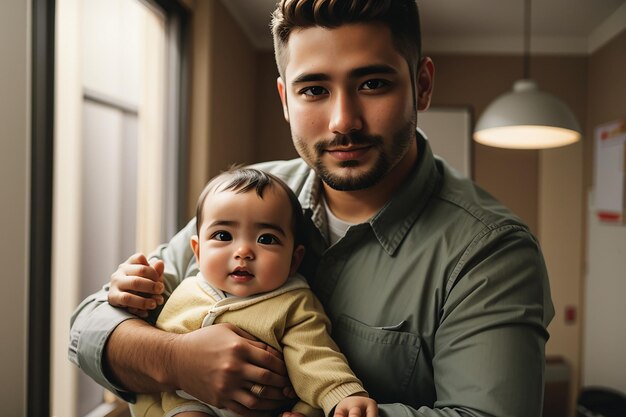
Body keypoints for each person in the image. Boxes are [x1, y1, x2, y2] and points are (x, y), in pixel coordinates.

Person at [69, 1, 555, 416]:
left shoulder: (490, 252)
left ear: (421, 85)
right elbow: (89, 326)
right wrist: (177, 362)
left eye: (372, 84)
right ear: (285, 99)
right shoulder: (248, 198)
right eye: (314, 90)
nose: (344, 120)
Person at [117, 167, 376, 417]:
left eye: (266, 239)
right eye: (223, 235)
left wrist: (342, 394)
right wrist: (137, 295)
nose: (243, 251)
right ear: (197, 251)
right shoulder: (182, 289)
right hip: (189, 402)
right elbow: (145, 332)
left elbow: (314, 356)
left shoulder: (293, 303)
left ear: (294, 260)